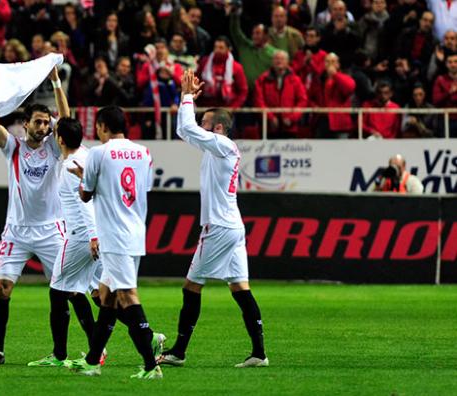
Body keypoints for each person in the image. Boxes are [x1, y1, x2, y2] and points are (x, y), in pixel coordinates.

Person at [158, 69, 268, 368]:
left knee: (191, 286)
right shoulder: (216, 148)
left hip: (218, 227)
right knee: (240, 288)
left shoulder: (222, 146)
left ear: (218, 128)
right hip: (231, 226)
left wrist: (186, 98)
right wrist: (189, 102)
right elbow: (186, 130)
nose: (200, 127)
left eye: (205, 123)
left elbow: (188, 128)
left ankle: (178, 351)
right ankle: (259, 353)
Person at [0, 67, 70, 366]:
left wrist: (55, 81)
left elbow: (67, 121)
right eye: (39, 122)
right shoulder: (13, 147)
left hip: (50, 231)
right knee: (2, 288)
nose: (44, 126)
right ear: (26, 124)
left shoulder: (54, 150)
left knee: (63, 290)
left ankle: (63, 352)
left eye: (46, 122)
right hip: (16, 232)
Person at [66, 105, 165, 379]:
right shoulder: (143, 153)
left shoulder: (98, 153)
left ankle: (150, 365)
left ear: (101, 126)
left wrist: (81, 178)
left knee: (127, 295)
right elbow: (140, 190)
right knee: (107, 297)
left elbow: (85, 195)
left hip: (114, 235)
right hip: (134, 230)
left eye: (97, 127)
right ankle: (92, 360)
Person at [26, 117, 104, 368]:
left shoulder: (72, 166)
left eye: (54, 132)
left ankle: (61, 355)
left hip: (81, 236)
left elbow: (86, 204)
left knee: (57, 290)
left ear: (60, 139)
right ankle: (147, 336)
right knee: (86, 293)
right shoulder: (87, 155)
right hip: (94, 235)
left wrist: (92, 236)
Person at [253, 50, 308, 138]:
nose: (279, 61)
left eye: (282, 59)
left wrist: (292, 118)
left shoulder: (295, 80)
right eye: (276, 59)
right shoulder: (262, 79)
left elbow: (302, 101)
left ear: (287, 62)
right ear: (272, 61)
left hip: (290, 127)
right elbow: (259, 101)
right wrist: (270, 118)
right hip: (268, 127)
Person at [308, 52, 356, 138]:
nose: (330, 64)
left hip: (339, 123)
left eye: (333, 61)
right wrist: (314, 106)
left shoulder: (344, 77)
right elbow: (310, 97)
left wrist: (335, 75)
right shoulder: (318, 79)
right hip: (321, 121)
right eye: (327, 61)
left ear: (338, 64)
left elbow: (350, 88)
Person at [196, 37, 248, 108]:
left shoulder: (236, 67)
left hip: (227, 108)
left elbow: (243, 91)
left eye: (221, 48)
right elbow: (196, 82)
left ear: (228, 49)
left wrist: (232, 108)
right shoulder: (204, 63)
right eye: (215, 47)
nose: (217, 50)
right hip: (205, 107)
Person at [432, 53, 457, 137]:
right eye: (450, 62)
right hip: (445, 121)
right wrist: (449, 92)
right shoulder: (440, 80)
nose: (453, 64)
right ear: (446, 64)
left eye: (455, 62)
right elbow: (436, 101)